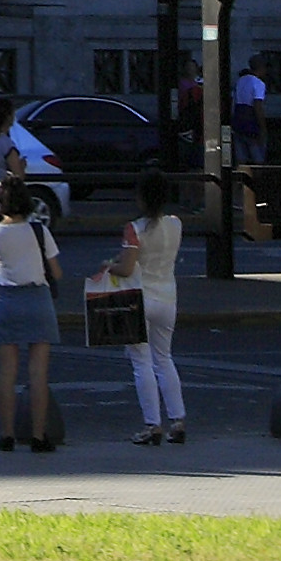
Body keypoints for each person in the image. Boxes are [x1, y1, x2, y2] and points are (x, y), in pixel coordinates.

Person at [0, 170, 62, 452]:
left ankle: (7, 434)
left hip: (8, 301)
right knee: (38, 372)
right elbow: (57, 272)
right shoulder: (39, 230)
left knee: (7, 372)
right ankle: (39, 436)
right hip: (38, 299)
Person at [108, 172, 189, 445]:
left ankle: (152, 424)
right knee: (164, 358)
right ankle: (177, 420)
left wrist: (109, 266)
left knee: (141, 362)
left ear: (141, 198)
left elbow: (127, 267)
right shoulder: (176, 225)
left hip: (138, 298)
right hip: (167, 297)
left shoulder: (135, 228)